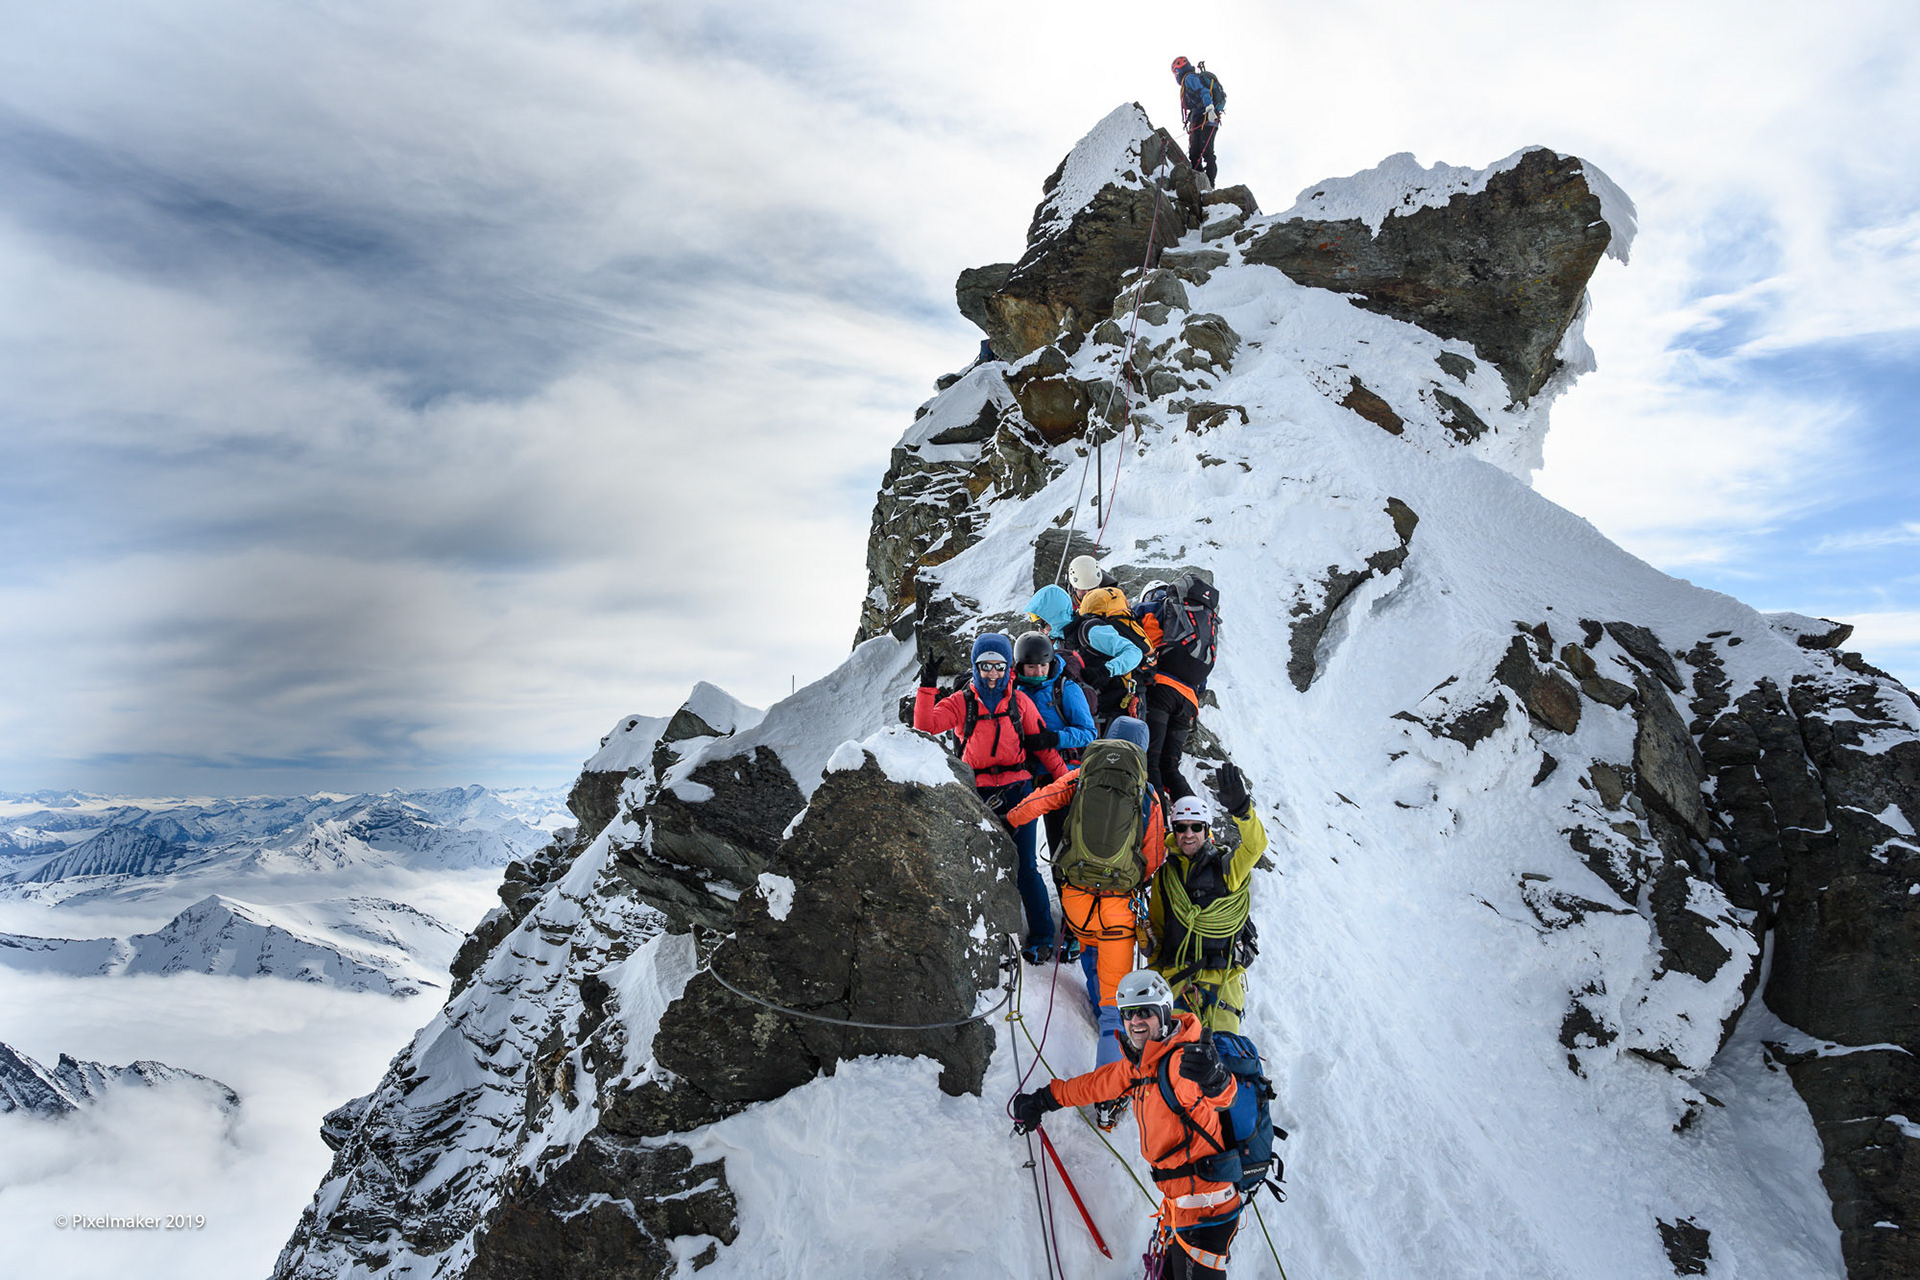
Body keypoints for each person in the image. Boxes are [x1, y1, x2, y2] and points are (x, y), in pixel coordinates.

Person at [1012, 970, 1241, 1279]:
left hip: (1207, 1215)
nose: (1135, 1021)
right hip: (1180, 1210)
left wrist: (1215, 1078)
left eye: (1144, 1012)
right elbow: (1094, 1085)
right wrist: (1044, 1099)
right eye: (1128, 1013)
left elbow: (1223, 1097)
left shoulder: (1180, 1063)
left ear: (1163, 1013)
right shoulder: (1139, 1066)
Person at [1007, 717, 1166, 1088]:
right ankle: (1107, 1096)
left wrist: (1010, 818)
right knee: (1115, 1012)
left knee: (1090, 949)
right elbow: (1155, 855)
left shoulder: (1082, 775)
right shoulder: (1147, 794)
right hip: (1118, 910)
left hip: (1077, 901)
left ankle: (1095, 1008)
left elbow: (1039, 802)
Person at [916, 634, 1069, 964]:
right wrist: (927, 688)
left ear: (1007, 667)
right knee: (981, 867)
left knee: (1026, 867)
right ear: (975, 666)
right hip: (976, 796)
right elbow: (925, 727)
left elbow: (1044, 747)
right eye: (985, 666)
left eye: (999, 666)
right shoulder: (961, 702)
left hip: (1018, 792)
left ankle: (1043, 936)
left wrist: (1067, 784)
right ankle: (990, 935)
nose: (992, 674)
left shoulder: (1020, 702)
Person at [1145, 766, 1265, 1033]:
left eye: (1196, 827)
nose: (1188, 834)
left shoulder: (1227, 869)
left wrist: (1242, 811)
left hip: (1222, 982)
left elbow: (1255, 847)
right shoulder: (1165, 877)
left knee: (1224, 1052)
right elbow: (1159, 931)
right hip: (1177, 981)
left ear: (1206, 829)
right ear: (1174, 830)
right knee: (1178, 1055)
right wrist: (1155, 981)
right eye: (1181, 827)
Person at [1014, 631, 1098, 960]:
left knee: (1064, 857)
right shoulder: (1014, 690)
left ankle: (1075, 931)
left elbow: (1088, 732)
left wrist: (1053, 739)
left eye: (1043, 666)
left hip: (1063, 779)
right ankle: (1046, 931)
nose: (1038, 672)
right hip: (1028, 779)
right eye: (1031, 667)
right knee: (1026, 858)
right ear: (1019, 666)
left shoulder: (1066, 689)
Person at [1136, 576, 1220, 802]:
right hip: (1188, 701)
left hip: (1161, 691)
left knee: (1150, 762)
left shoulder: (1149, 608)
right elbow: (1202, 682)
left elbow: (1135, 638)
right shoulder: (1201, 623)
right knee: (1170, 768)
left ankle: (1158, 819)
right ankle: (1198, 819)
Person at [1024, 583, 1144, 734]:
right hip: (1090, 714)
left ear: (1054, 616)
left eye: (1041, 623)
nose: (1040, 629)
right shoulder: (1059, 642)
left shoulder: (1091, 632)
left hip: (1116, 710)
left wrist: (1105, 670)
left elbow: (1134, 652)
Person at [1171, 56, 1220, 187]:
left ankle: (1209, 184)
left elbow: (1203, 91)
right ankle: (1202, 183)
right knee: (1196, 153)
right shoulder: (1188, 79)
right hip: (1201, 119)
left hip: (1207, 117)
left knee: (1205, 151)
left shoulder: (1189, 78)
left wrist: (1209, 108)